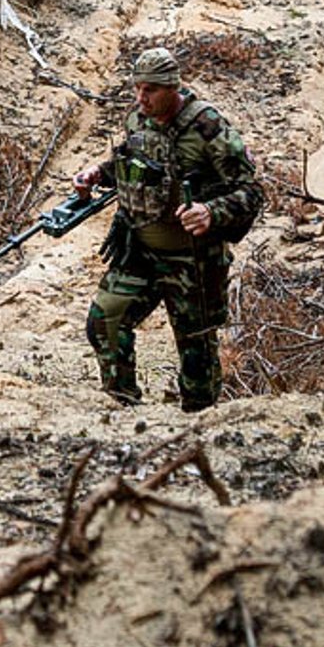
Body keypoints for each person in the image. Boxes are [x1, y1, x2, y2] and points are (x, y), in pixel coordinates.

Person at [72, 48, 263, 412]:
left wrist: (212, 211)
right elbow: (132, 163)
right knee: (104, 322)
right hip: (139, 249)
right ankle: (122, 409)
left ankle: (199, 423)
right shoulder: (138, 120)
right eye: (137, 89)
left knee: (196, 353)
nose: (141, 98)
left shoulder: (208, 128)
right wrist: (98, 173)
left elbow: (252, 191)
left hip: (193, 260)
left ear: (172, 88)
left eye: (151, 90)